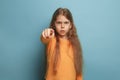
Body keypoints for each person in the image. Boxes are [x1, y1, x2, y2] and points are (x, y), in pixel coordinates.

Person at [40, 7, 83, 80]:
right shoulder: (51, 39)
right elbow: (44, 39)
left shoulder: (75, 44)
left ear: (70, 25)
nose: (62, 26)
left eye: (66, 22)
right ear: (54, 24)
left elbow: (78, 69)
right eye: (59, 22)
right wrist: (46, 34)